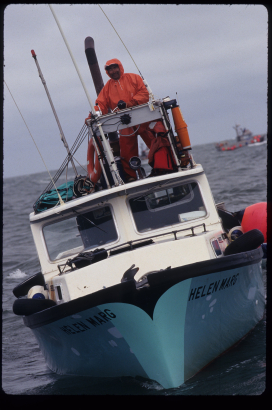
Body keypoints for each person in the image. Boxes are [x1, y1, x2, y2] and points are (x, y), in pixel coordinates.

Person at [86, 58, 156, 181]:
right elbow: (100, 104)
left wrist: (129, 104)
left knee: (155, 143)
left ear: (120, 67)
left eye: (114, 68)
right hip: (124, 124)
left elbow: (144, 94)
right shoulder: (107, 88)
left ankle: (161, 166)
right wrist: (92, 115)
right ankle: (131, 177)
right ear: (107, 72)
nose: (113, 71)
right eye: (110, 70)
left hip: (143, 120)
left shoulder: (134, 78)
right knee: (126, 152)